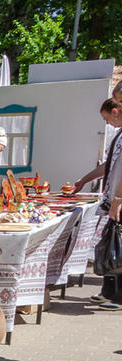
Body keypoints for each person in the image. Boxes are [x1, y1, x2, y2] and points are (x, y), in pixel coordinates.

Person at [71, 98, 122, 308]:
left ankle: (118, 296)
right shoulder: (119, 136)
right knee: (110, 245)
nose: (107, 123)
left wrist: (118, 199)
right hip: (112, 199)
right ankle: (109, 291)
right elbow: (108, 166)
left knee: (118, 247)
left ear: (116, 111)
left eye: (106, 118)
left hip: (119, 201)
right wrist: (84, 180)